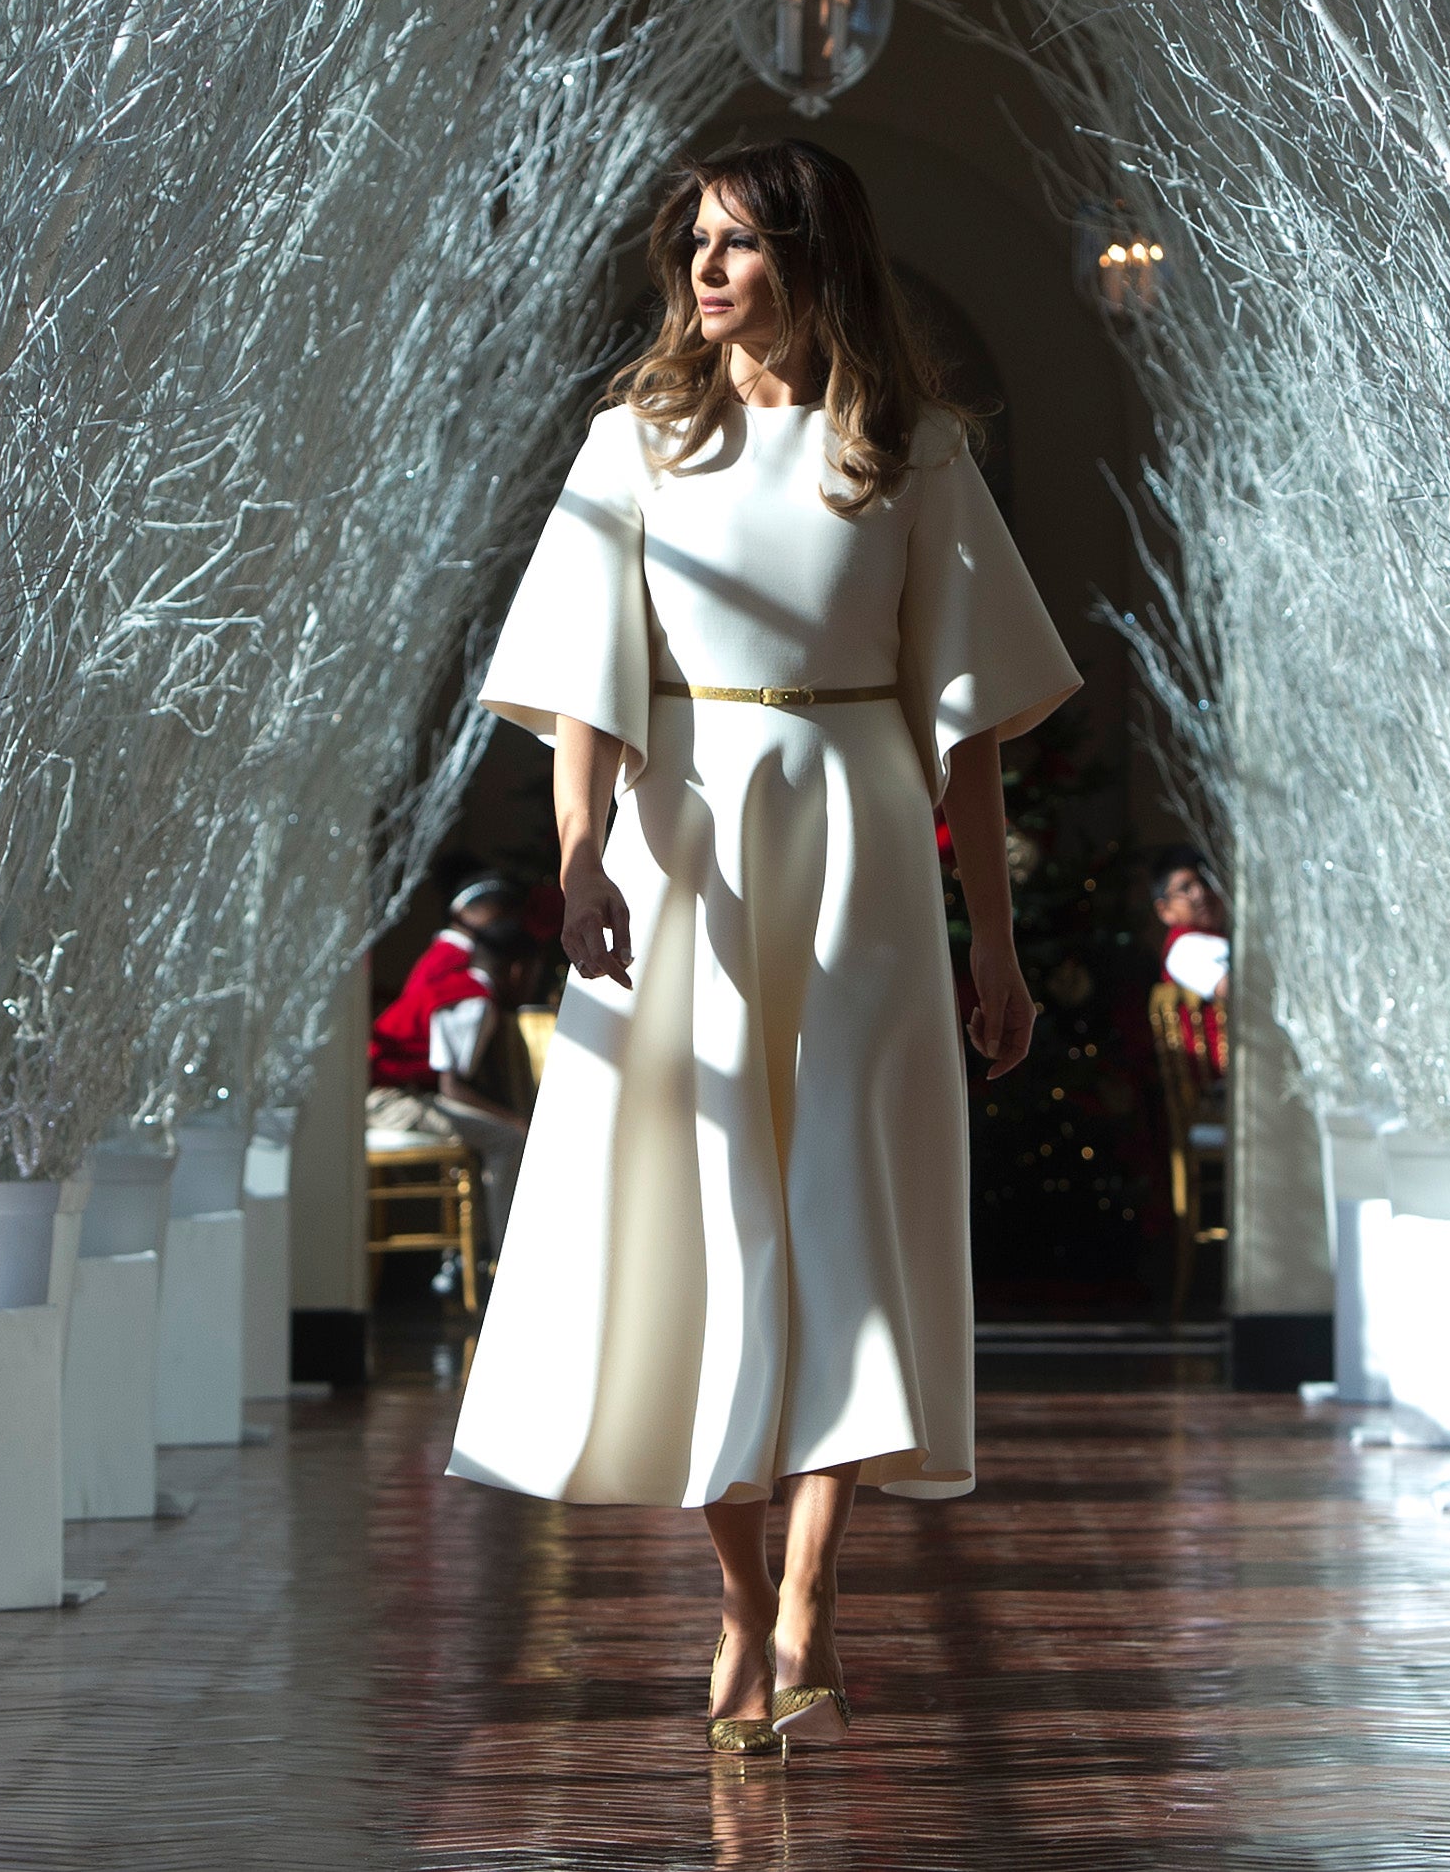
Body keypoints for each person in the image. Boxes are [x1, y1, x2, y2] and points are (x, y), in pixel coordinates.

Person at [459, 138, 1081, 1762]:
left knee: (845, 1219)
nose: (710, 273)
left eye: (741, 244)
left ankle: (808, 1606)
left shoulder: (912, 453)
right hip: (685, 849)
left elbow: (967, 736)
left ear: (815, 258)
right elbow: (585, 690)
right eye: (696, 247)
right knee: (705, 1224)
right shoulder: (633, 445)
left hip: (866, 843)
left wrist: (995, 949)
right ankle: (745, 1605)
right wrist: (582, 861)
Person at [368, 873, 535, 1243]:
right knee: (510, 1138)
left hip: (405, 1089)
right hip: (387, 1096)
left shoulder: (458, 975)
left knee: (500, 1134)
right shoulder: (463, 985)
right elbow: (451, 1086)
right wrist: (516, 1120)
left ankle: (477, 1249)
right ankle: (505, 1250)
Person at [1150, 847, 1232, 1077]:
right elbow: (1232, 989)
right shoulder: (1183, 948)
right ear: (1164, 909)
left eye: (1205, 882)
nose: (1200, 893)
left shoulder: (1219, 937)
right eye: (1185, 888)